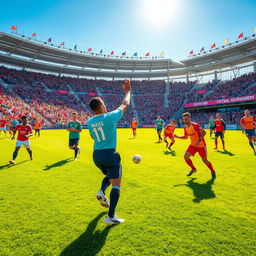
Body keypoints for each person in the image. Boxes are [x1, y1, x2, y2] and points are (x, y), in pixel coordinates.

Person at [87, 79, 131, 225]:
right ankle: (111, 216)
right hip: (109, 154)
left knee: (109, 176)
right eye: (104, 103)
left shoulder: (90, 122)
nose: (105, 105)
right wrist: (127, 91)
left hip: (97, 155)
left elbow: (92, 136)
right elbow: (125, 104)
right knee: (116, 184)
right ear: (100, 106)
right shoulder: (109, 116)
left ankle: (101, 191)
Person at [174, 112, 216, 179]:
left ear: (190, 118)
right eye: (184, 119)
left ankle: (212, 171)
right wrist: (177, 137)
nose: (185, 121)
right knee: (186, 157)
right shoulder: (185, 128)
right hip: (193, 145)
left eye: (186, 119)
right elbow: (186, 137)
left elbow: (204, 132)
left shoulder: (195, 125)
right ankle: (193, 169)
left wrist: (199, 141)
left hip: (201, 145)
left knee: (205, 160)